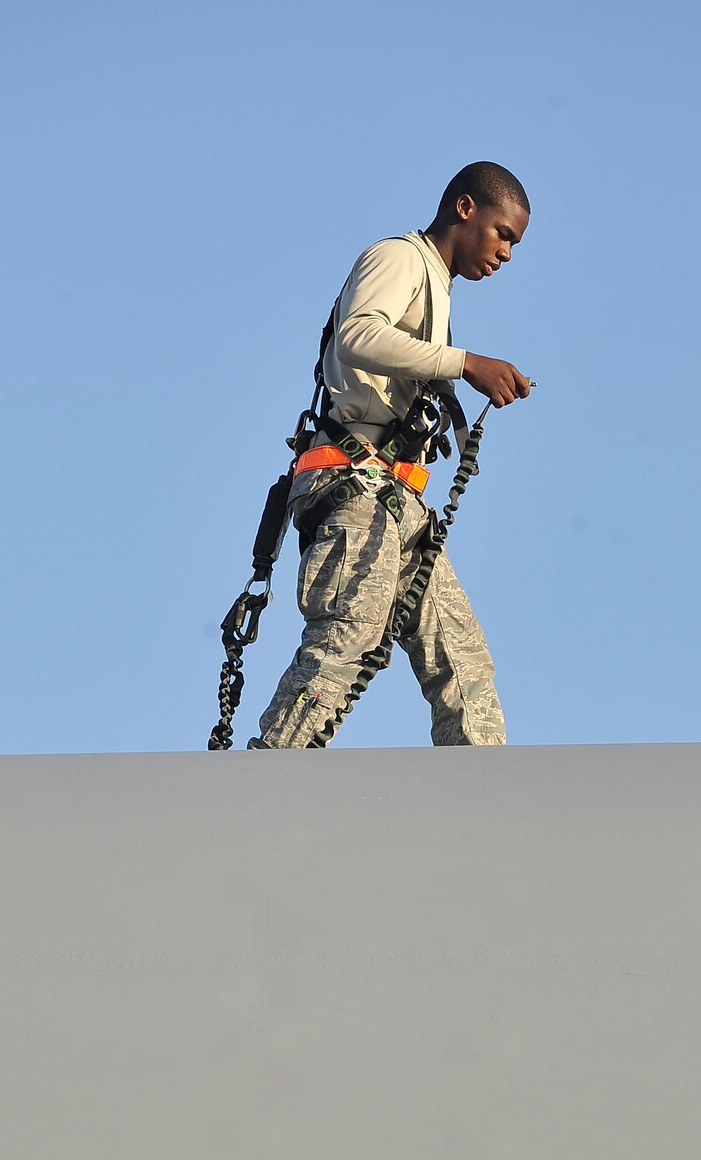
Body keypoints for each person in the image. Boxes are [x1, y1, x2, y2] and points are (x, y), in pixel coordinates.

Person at [248, 162, 531, 749]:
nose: (506, 253)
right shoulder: (400, 257)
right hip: (356, 489)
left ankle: (484, 793)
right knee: (348, 636)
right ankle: (266, 778)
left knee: (463, 663)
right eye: (502, 233)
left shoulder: (436, 287)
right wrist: (465, 363)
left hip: (397, 503)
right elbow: (357, 335)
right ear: (465, 208)